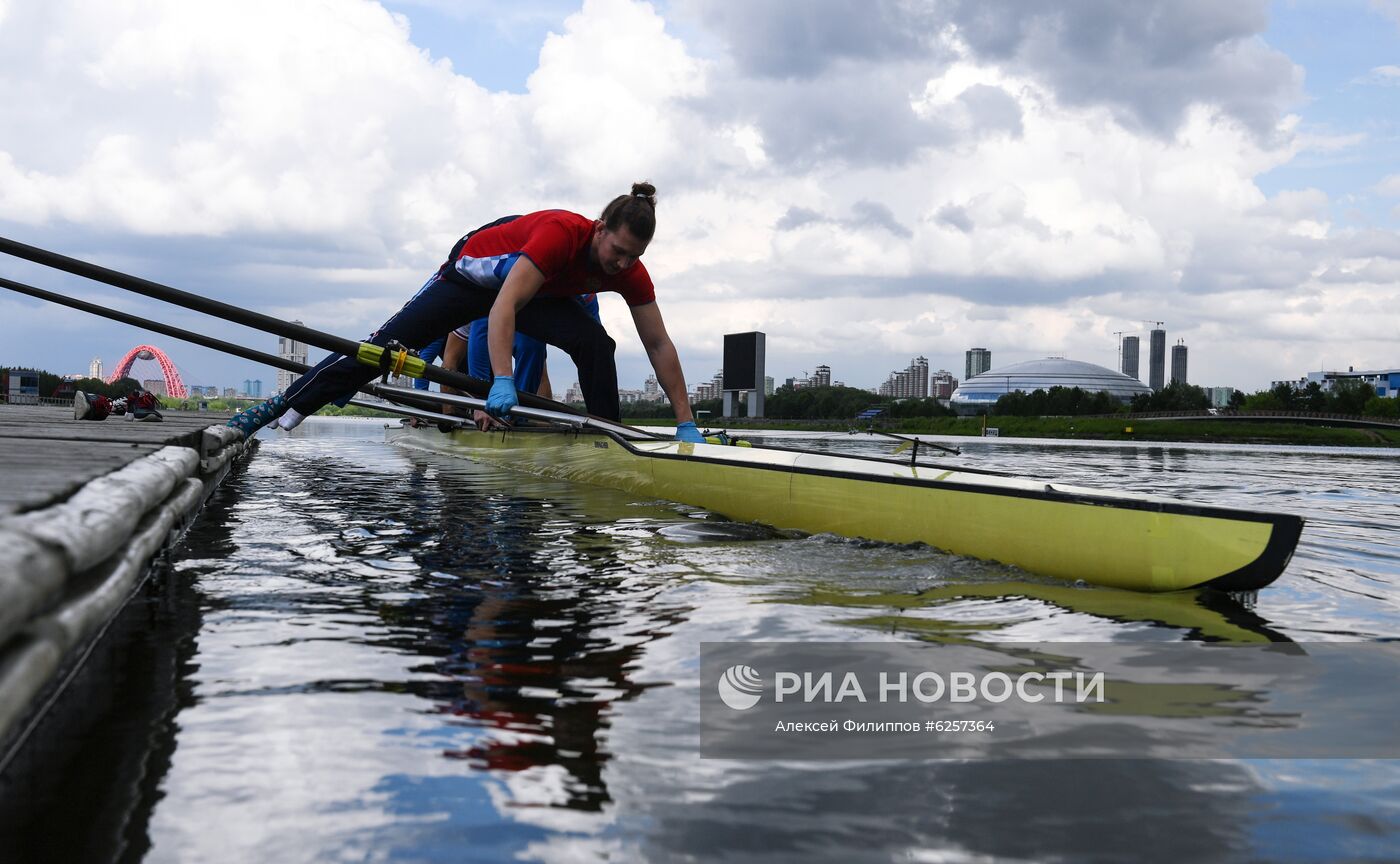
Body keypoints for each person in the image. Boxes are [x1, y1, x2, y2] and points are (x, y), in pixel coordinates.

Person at [228, 183, 703, 442]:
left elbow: (659, 345)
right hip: (470, 278)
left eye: (632, 257)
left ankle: (608, 437)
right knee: (380, 351)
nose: (621, 265)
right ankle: (279, 406)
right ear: (599, 229)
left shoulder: (629, 272)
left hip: (527, 293)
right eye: (617, 251)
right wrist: (501, 378)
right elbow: (501, 309)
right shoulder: (561, 235)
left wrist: (685, 421)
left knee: (596, 343)